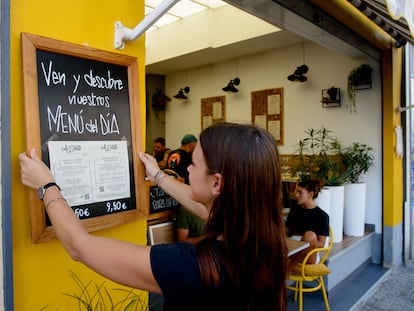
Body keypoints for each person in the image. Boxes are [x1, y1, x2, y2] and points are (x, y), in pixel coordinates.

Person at [19, 122, 287, 311]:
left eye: (194, 162)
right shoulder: (265, 246)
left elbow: (80, 246)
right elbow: (206, 206)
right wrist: (157, 176)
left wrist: (46, 185)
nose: (188, 168)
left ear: (217, 184)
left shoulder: (192, 267)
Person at [285, 179, 330, 264]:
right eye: (296, 192)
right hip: (292, 248)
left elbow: (321, 243)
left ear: (310, 194)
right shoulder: (295, 210)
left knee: (310, 235)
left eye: (300, 192)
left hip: (309, 253)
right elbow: (287, 232)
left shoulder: (322, 216)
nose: (296, 195)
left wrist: (303, 244)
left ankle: (290, 263)